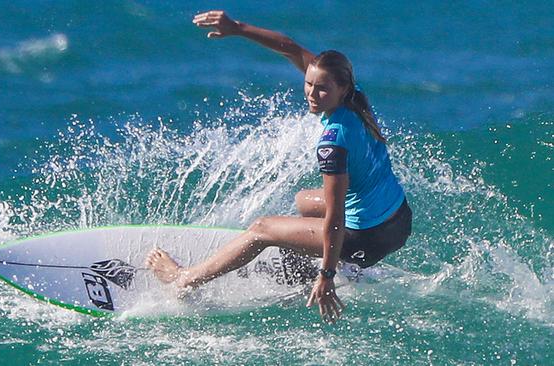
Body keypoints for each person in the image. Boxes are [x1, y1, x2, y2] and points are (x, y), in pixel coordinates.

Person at [145, 10, 413, 323]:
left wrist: (326, 276)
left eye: (321, 89)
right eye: (309, 84)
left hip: (366, 236)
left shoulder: (333, 142)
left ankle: (184, 280)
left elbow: (337, 214)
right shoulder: (355, 99)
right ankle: (318, 270)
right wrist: (238, 28)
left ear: (340, 88)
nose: (312, 94)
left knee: (263, 229)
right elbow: (291, 48)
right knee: (303, 201)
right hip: (399, 219)